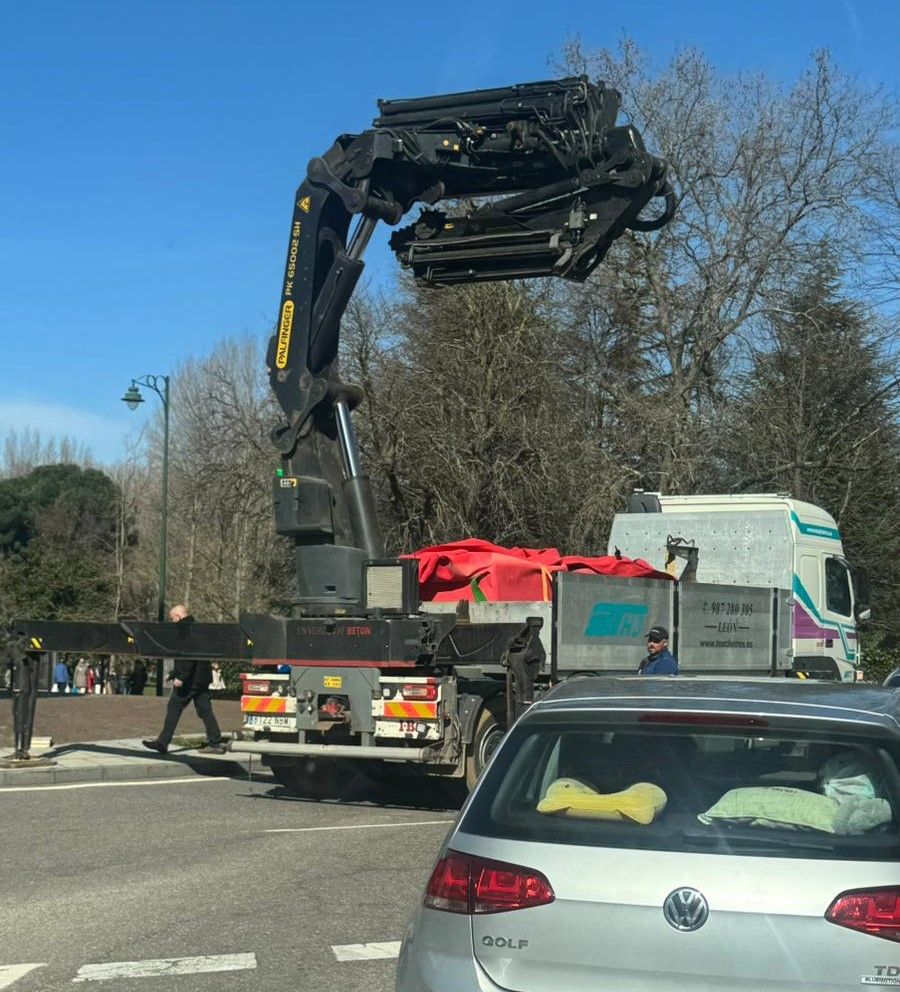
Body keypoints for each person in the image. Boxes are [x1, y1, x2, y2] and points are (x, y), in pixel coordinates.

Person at [142, 604, 226, 755]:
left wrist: (181, 677)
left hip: (191, 680)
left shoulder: (184, 630)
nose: (172, 622)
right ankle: (215, 742)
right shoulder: (197, 628)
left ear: (179, 617)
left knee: (174, 707)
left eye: (172, 619)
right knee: (205, 710)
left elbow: (187, 656)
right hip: (201, 678)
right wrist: (174, 673)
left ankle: (163, 742)